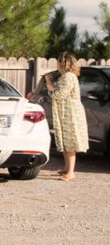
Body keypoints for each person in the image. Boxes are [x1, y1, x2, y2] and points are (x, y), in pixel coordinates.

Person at [44, 52, 89, 181]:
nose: (57, 64)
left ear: (64, 63)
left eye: (59, 62)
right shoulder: (66, 76)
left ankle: (70, 172)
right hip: (66, 111)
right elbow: (55, 91)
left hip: (70, 113)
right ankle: (66, 168)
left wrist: (49, 83)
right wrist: (51, 85)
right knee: (65, 141)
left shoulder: (69, 76)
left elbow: (60, 94)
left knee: (70, 143)